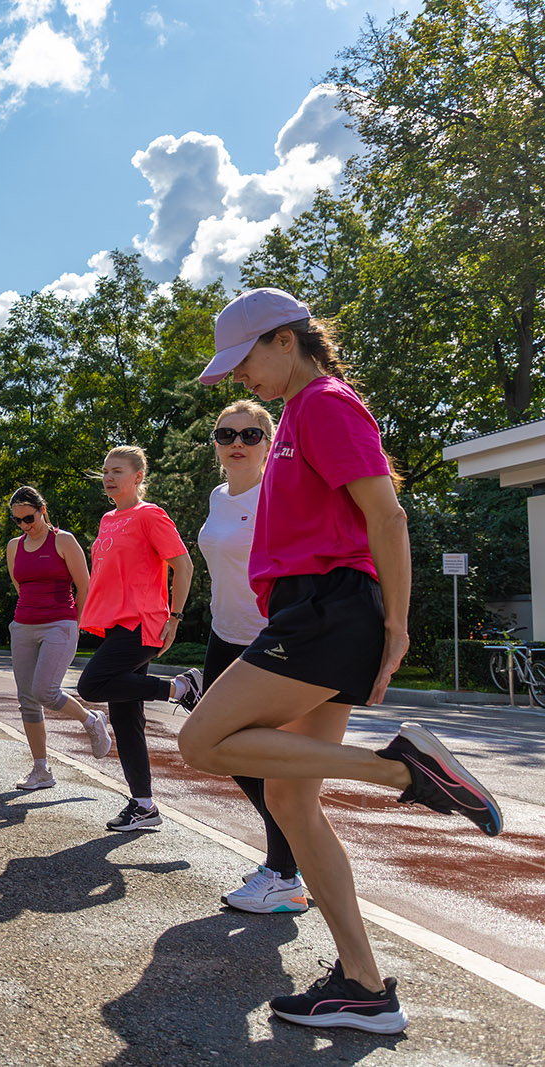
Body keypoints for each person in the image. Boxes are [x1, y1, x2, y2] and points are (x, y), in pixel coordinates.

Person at [180, 288, 503, 1033]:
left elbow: (386, 511)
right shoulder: (296, 417)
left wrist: (396, 624)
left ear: (284, 341)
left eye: (246, 361)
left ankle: (403, 770)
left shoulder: (323, 402)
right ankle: (364, 985)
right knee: (292, 801)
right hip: (312, 608)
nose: (240, 380)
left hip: (328, 608)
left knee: (200, 740)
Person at [195, 401, 306, 913]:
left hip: (269, 636)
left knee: (256, 753)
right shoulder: (219, 496)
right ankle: (285, 863)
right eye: (226, 434)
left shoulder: (279, 492)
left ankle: (284, 871)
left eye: (251, 433)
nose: (237, 441)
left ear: (269, 441)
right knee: (221, 744)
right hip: (225, 633)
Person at [75, 446, 200, 832]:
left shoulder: (150, 515)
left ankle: (180, 687)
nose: (109, 477)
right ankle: (144, 806)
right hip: (116, 623)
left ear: (138, 477)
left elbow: (183, 565)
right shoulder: (108, 518)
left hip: (143, 622)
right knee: (126, 718)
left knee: (91, 684)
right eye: (105, 471)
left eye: (117, 470)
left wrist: (175, 617)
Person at [5, 485, 111, 790]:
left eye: (29, 517)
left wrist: (73, 624)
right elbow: (20, 585)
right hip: (23, 625)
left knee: (45, 691)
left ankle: (91, 720)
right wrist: (28, 615)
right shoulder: (14, 546)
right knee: (27, 700)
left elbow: (85, 585)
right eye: (18, 521)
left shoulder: (63, 541)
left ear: (42, 509)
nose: (25, 525)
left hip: (60, 624)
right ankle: (41, 770)